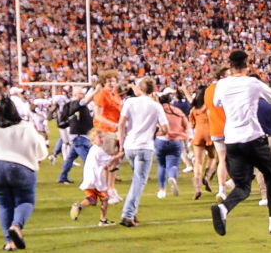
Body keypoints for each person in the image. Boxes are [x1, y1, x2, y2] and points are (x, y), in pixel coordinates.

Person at [210, 49, 271, 236]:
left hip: (232, 141)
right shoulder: (253, 83)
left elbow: (217, 103)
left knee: (243, 186)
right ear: (247, 64)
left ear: (229, 65)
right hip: (253, 138)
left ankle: (224, 209)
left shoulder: (222, 84)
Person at [0, 94, 48, 249]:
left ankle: (9, 242)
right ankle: (16, 226)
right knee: (25, 201)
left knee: (4, 206)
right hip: (21, 168)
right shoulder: (26, 127)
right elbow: (42, 151)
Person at [117, 76, 165, 227]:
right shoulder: (156, 106)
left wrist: (120, 144)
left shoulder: (130, 102)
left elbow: (121, 124)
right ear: (154, 89)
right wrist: (154, 133)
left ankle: (132, 211)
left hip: (130, 145)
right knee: (139, 181)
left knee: (136, 180)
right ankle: (127, 215)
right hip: (145, 147)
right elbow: (166, 128)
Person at [71, 131, 122, 225]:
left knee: (91, 199)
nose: (102, 139)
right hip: (96, 179)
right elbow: (111, 159)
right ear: (93, 140)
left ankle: (79, 206)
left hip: (88, 178)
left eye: (102, 137)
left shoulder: (93, 149)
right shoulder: (99, 150)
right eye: (99, 137)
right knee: (105, 200)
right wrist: (121, 153)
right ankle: (103, 220)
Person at [55, 90, 95, 184]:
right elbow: (84, 101)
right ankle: (91, 179)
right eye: (80, 93)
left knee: (70, 158)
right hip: (79, 136)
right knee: (89, 159)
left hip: (79, 135)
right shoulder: (76, 103)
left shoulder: (76, 105)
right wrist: (95, 91)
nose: (83, 95)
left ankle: (62, 177)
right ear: (75, 94)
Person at [155, 89, 188, 199]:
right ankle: (173, 177)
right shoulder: (177, 111)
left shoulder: (158, 111)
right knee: (173, 165)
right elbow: (186, 126)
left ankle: (162, 191)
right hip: (175, 141)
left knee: (161, 165)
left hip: (161, 140)